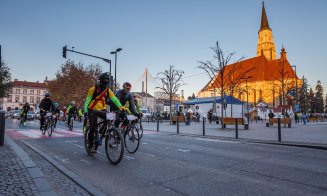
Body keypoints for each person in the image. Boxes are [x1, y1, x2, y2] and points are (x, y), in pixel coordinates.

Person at [84, 72, 126, 155]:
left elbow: (114, 99)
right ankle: (90, 145)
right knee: (93, 126)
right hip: (92, 110)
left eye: (107, 80)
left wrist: (121, 107)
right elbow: (87, 101)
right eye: (105, 80)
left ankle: (100, 135)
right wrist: (85, 111)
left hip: (102, 110)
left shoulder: (108, 91)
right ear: (100, 80)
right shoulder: (93, 89)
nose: (106, 82)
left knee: (109, 119)